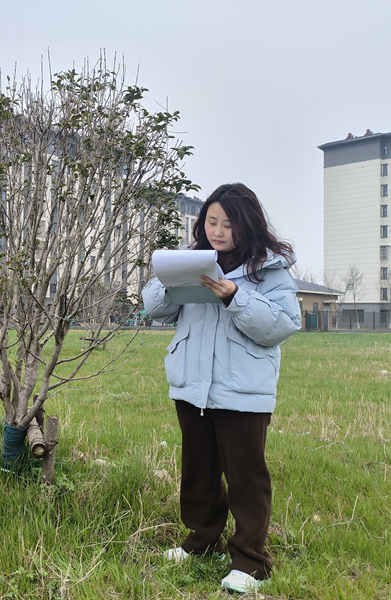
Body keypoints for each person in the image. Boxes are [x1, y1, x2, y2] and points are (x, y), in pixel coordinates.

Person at [142, 183, 301, 594]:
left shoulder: (269, 269)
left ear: (247, 224)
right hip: (192, 385)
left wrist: (236, 297)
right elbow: (156, 310)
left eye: (228, 224)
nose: (218, 231)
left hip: (242, 389)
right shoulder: (192, 260)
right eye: (211, 221)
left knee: (246, 477)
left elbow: (283, 325)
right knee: (199, 470)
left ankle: (250, 563)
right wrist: (167, 279)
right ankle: (201, 542)